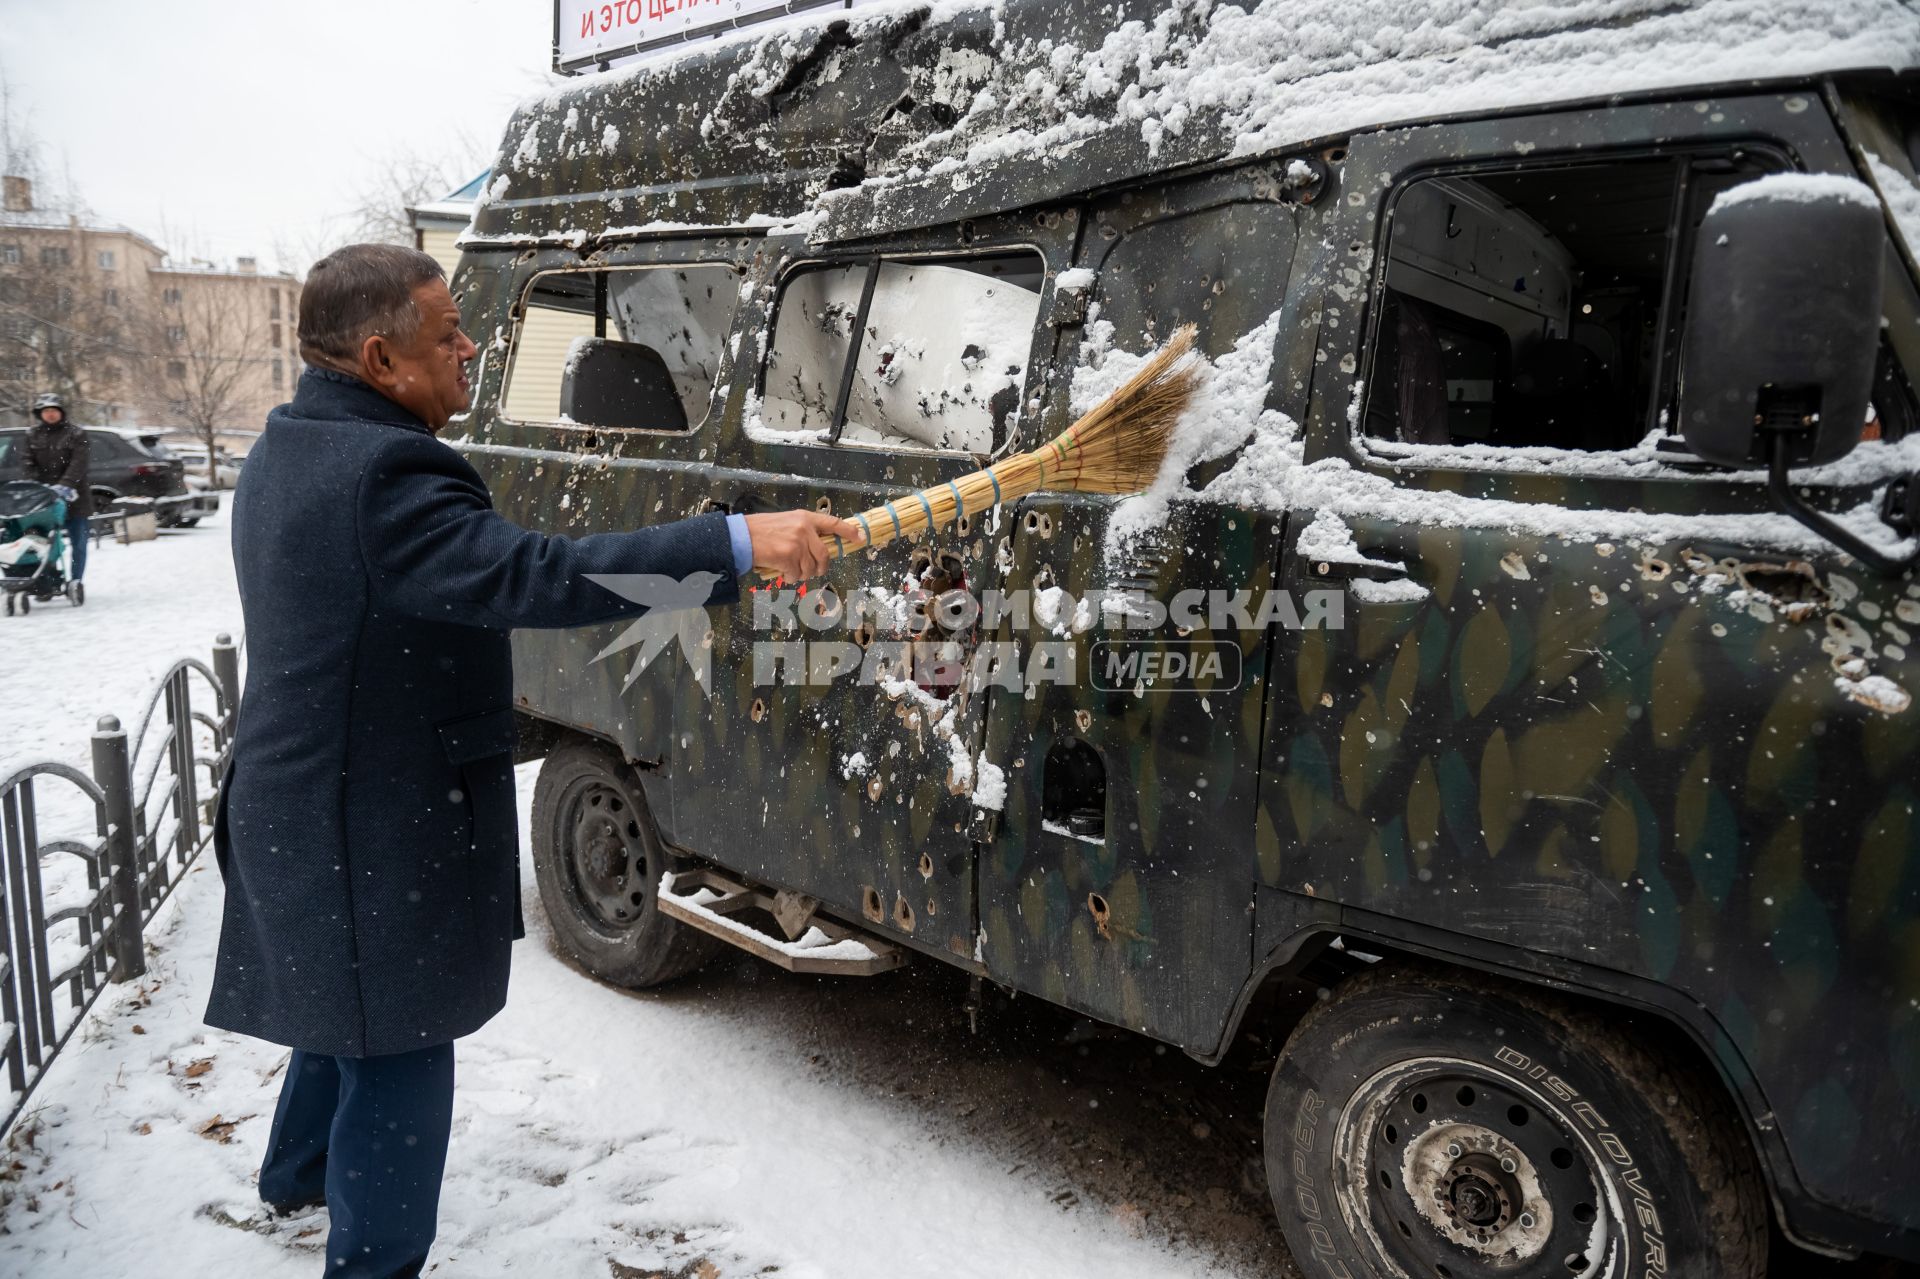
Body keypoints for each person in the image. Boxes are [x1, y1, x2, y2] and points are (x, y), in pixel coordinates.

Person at [204, 243, 855, 1279]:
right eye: (447, 331)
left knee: (341, 1015)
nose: (474, 345)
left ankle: (294, 1180)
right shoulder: (384, 472)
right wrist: (732, 547)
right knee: (398, 1047)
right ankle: (370, 1263)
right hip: (362, 823)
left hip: (301, 799)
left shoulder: (297, 439)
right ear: (380, 356)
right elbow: (534, 576)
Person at [21, 391, 92, 584]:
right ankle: (47, 578)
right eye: (46, 411)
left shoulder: (76, 434)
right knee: (45, 542)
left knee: (78, 543)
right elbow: (28, 463)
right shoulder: (32, 435)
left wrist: (65, 485)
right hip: (44, 500)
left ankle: (76, 580)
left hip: (75, 498)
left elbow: (79, 463)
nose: (50, 414)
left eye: (54, 410)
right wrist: (37, 486)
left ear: (61, 412)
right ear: (40, 414)